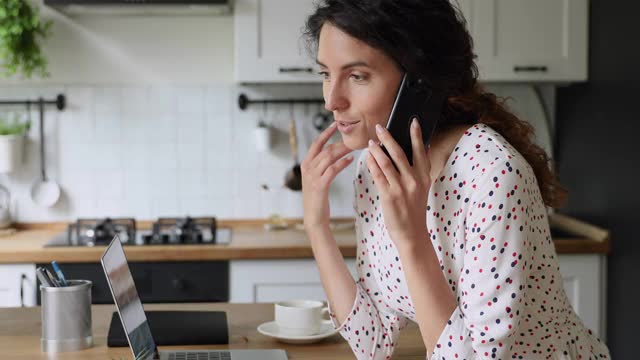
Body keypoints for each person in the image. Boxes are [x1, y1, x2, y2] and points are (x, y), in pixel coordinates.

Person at [300, 0, 611, 359]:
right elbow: (373, 341)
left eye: (357, 76)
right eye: (325, 74)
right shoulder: (377, 168)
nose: (332, 101)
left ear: (419, 82)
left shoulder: (493, 175)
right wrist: (316, 225)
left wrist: (413, 238)